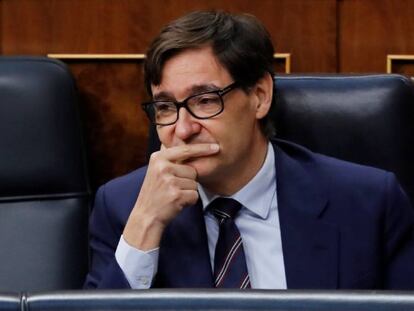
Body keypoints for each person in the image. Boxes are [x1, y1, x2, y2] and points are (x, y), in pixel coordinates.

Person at [84, 10, 414, 289]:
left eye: (205, 100)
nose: (183, 129)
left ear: (259, 96)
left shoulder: (368, 203)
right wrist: (146, 224)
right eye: (166, 107)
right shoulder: (123, 208)